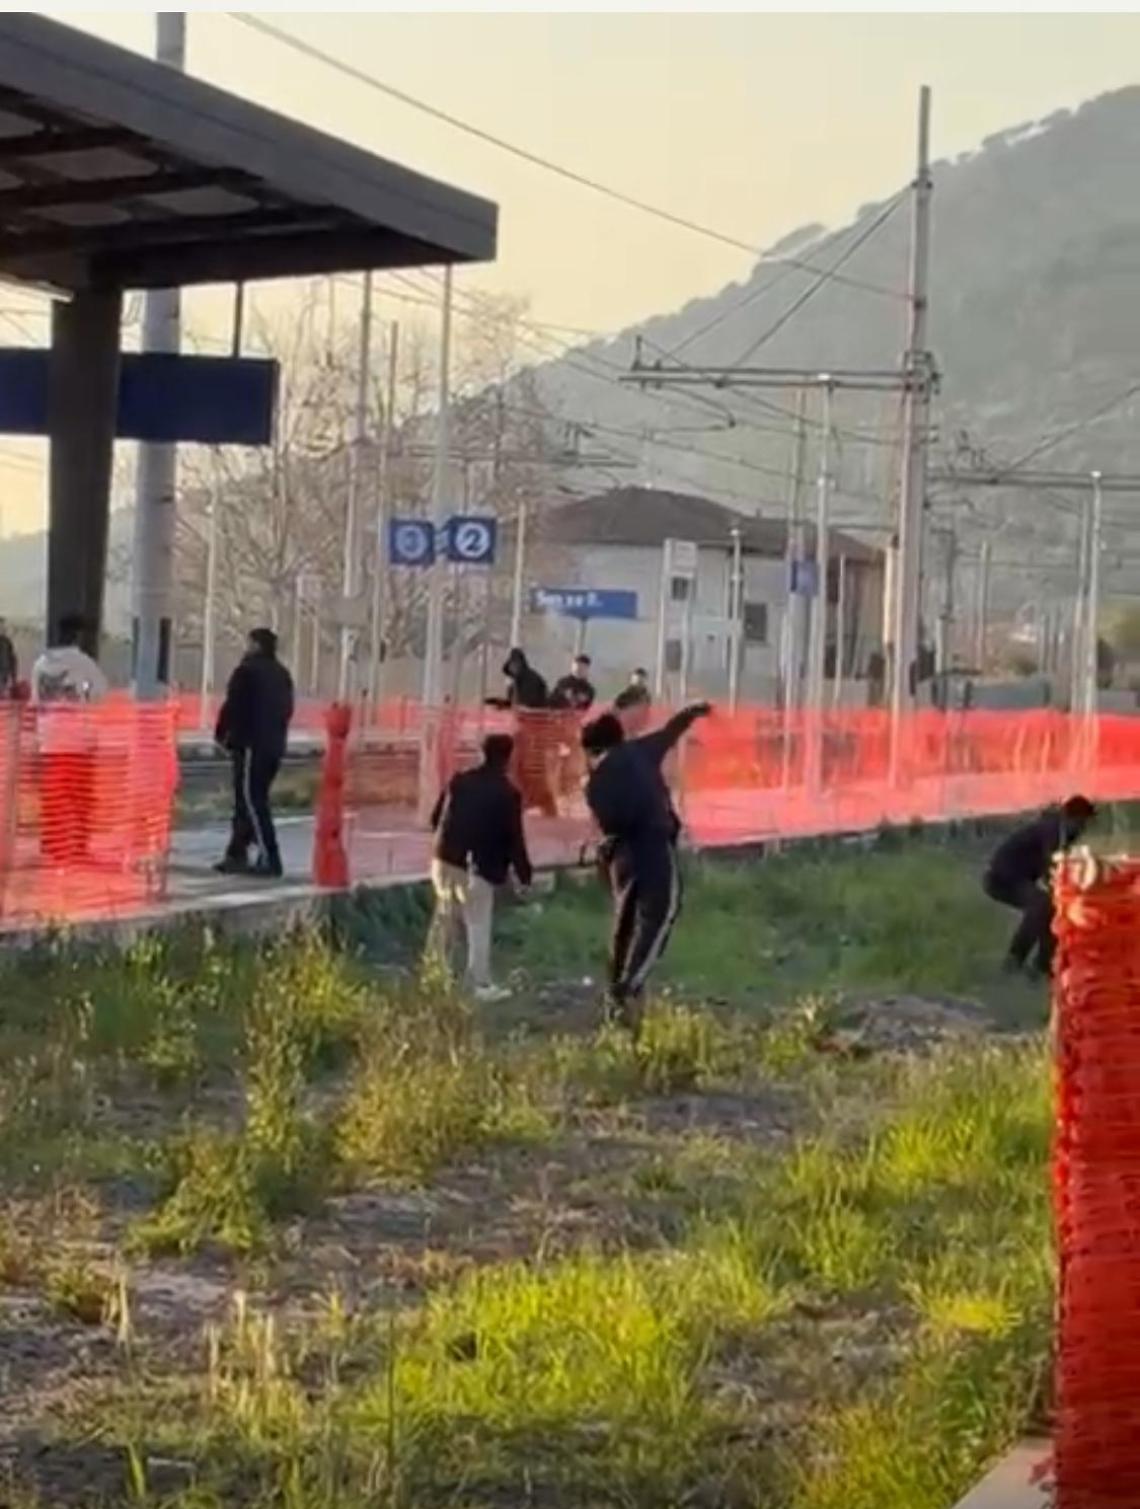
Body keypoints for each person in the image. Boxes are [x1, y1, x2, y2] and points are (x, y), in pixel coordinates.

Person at [581, 701, 712, 1030]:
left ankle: (615, 988)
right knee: (660, 914)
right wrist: (692, 713)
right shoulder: (640, 750)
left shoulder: (594, 784)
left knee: (624, 921)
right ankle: (630, 987)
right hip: (652, 846)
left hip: (619, 855)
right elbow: (670, 732)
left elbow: (607, 823)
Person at [427, 733, 533, 1001]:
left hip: (444, 859)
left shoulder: (459, 781)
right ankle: (478, 984)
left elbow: (435, 818)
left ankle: (434, 974)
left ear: (481, 753)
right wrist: (525, 875)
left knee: (444, 919)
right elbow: (514, 840)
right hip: (478, 867)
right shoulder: (508, 794)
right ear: (508, 758)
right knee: (477, 925)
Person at [983, 795, 1096, 976]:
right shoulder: (1052, 830)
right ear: (1071, 818)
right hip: (1002, 879)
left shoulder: (1061, 831)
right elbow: (1051, 864)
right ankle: (1014, 961)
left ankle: (1044, 965)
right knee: (1041, 905)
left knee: (1052, 908)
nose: (1083, 829)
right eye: (1081, 823)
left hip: (1015, 877)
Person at [214, 627, 294, 879]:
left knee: (252, 801)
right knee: (248, 801)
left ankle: (270, 857)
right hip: (274, 746)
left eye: (249, 642)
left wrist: (223, 735)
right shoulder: (282, 674)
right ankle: (236, 853)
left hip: (251, 745)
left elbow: (233, 706)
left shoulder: (247, 671)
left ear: (256, 645)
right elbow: (286, 709)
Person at [30, 613, 109, 865]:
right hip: (78, 740)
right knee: (79, 796)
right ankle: (77, 846)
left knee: (53, 796)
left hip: (48, 740)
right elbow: (100, 693)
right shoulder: (84, 663)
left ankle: (53, 844)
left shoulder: (40, 664)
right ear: (78, 636)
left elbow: (35, 700)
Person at [487, 649, 557, 817]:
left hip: (536, 732)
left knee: (534, 769)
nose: (513, 668)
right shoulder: (514, 685)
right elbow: (514, 704)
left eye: (516, 665)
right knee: (519, 768)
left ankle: (546, 804)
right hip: (521, 730)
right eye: (511, 665)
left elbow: (534, 705)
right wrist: (499, 703)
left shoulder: (532, 680)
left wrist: (522, 710)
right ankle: (525, 802)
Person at [614, 667, 652, 735]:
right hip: (625, 730)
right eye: (637, 681)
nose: (639, 683)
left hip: (639, 730)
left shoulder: (646, 697)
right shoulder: (624, 696)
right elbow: (615, 712)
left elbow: (646, 713)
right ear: (631, 680)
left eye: (641, 681)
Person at [0, 617, 17, 698]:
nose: (3, 629)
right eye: (1, 627)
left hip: (4, 676)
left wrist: (14, 678)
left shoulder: (7, 642)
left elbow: (12, 659)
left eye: (3, 627)